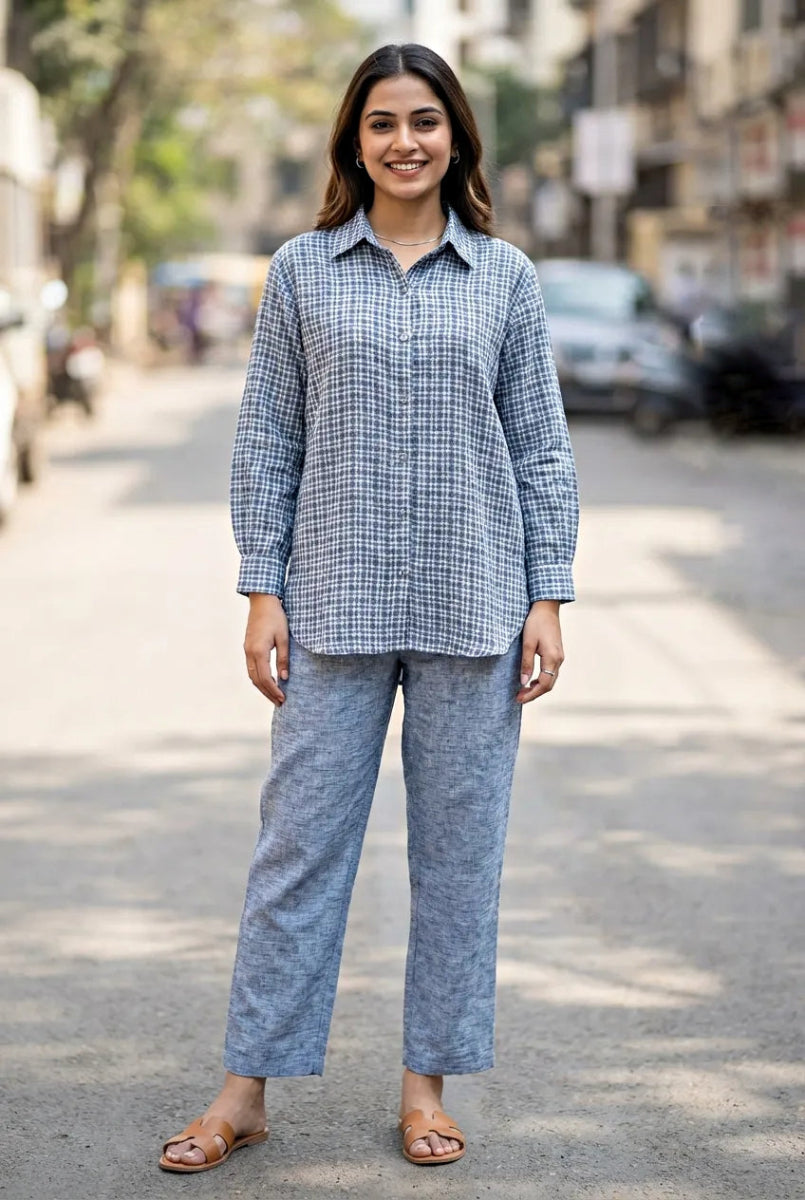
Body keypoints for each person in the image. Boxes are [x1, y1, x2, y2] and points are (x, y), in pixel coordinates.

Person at [159, 42, 578, 1176]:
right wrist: (262, 588)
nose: (405, 141)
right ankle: (245, 1090)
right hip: (331, 607)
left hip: (473, 604)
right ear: (354, 139)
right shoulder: (301, 270)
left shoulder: (504, 278)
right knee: (296, 853)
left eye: (425, 121)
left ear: (456, 139)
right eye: (383, 122)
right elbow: (268, 436)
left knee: (458, 861)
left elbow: (540, 447)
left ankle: (425, 1088)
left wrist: (547, 595)